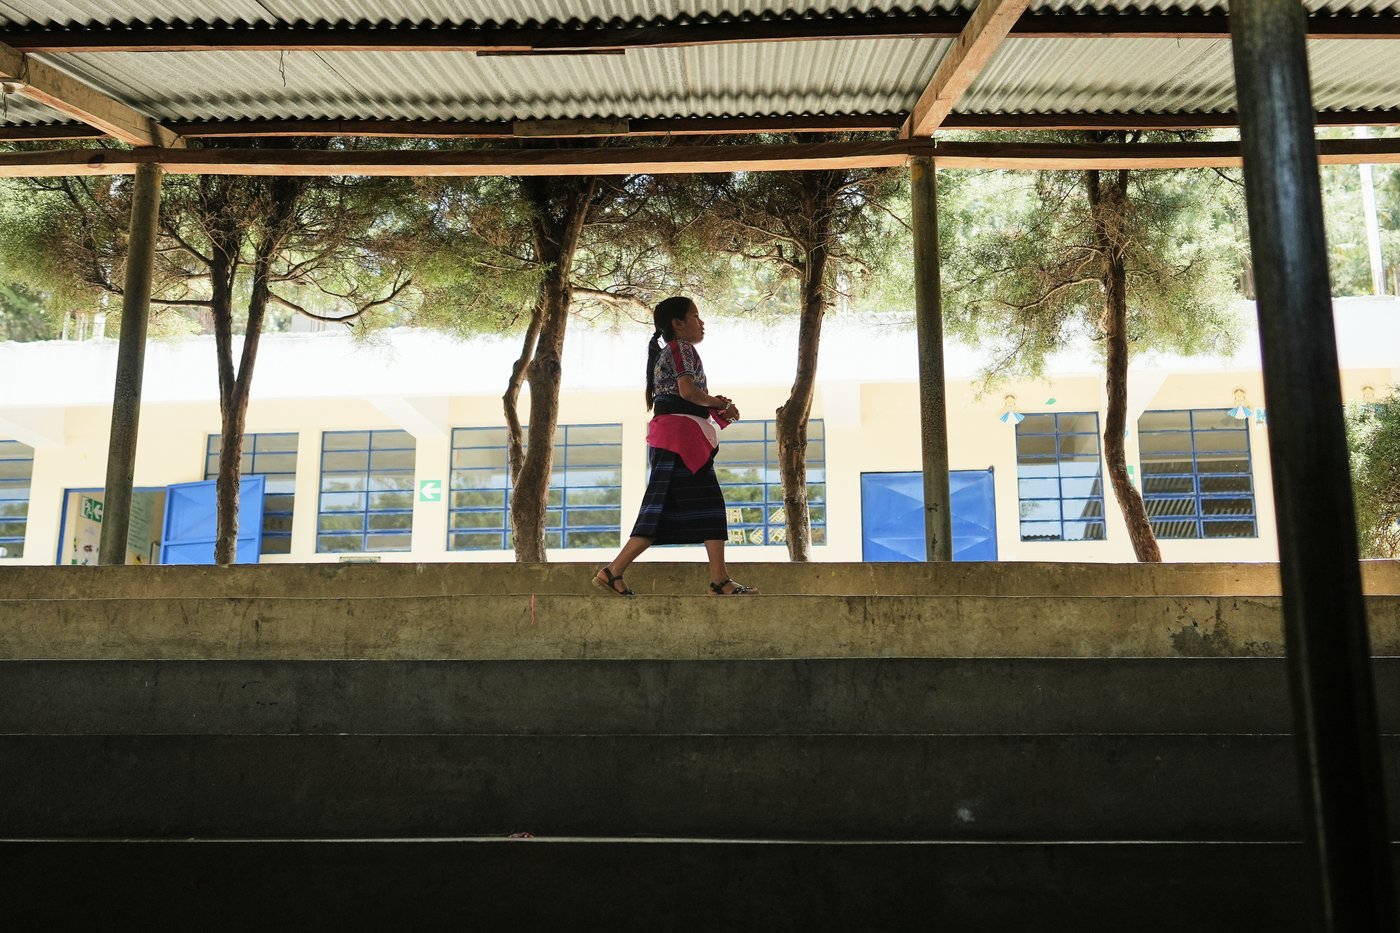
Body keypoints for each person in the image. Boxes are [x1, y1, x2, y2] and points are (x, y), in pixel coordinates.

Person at [594, 296, 758, 597]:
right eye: (696, 316)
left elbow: (686, 397)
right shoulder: (681, 347)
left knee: (662, 512)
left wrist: (716, 406)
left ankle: (613, 571)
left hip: (674, 440)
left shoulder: (670, 351)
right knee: (707, 505)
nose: (702, 322)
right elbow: (687, 392)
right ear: (678, 323)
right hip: (680, 442)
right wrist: (719, 403)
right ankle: (719, 582)